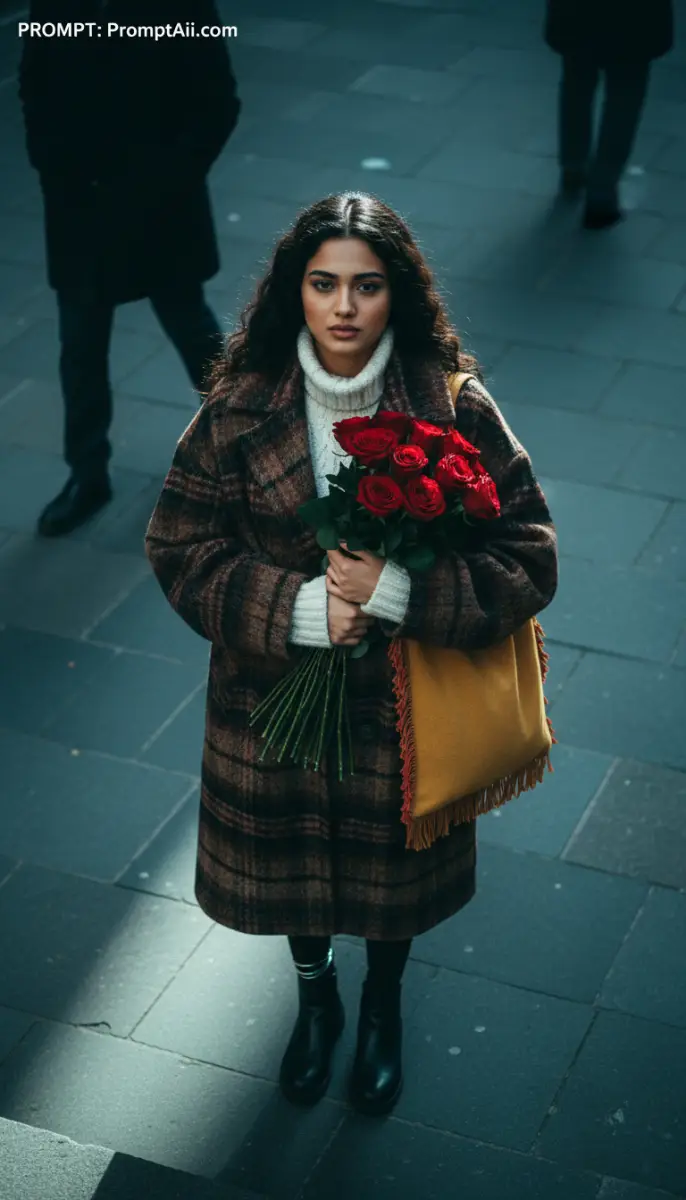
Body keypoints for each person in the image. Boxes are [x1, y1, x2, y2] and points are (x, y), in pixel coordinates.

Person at [144, 193, 558, 1117]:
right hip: (271, 698)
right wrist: (300, 610)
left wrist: (397, 593)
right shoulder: (237, 408)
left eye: (366, 286)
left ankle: (380, 1007)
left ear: (395, 293)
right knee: (294, 878)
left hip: (405, 708)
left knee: (389, 885)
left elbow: (529, 554)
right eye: (323, 283)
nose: (343, 306)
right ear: (294, 291)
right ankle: (317, 998)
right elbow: (179, 546)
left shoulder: (453, 404)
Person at [18, 0, 241, 536]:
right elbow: (36, 81)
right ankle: (87, 472)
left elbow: (216, 100)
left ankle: (242, 455)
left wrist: (169, 180)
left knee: (190, 326)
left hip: (157, 202)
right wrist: (52, 164)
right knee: (81, 344)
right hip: (81, 200)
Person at [544, 0, 674, 229]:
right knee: (624, 97)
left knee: (577, 84)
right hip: (634, 20)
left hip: (576, 15)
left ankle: (573, 165)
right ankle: (602, 190)